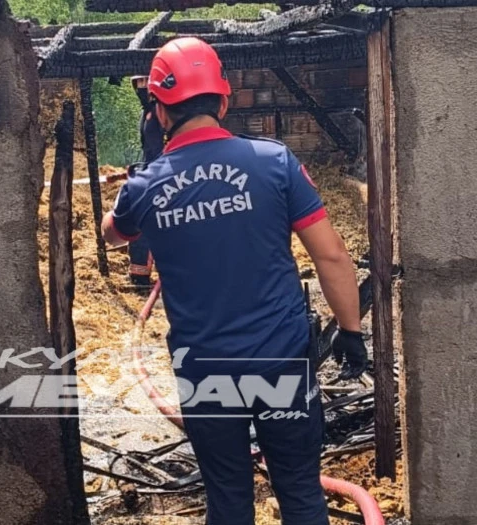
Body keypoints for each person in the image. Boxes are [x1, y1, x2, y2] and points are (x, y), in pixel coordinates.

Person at [102, 37, 367, 525]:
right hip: (281, 361)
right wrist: (350, 331)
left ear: (159, 113)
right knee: (300, 491)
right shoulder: (274, 162)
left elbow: (114, 235)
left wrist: (147, 172)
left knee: (227, 498)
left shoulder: (145, 186)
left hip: (205, 371)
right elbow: (331, 255)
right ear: (224, 103)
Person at [126, 75, 165, 289]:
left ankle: (144, 274)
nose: (141, 88)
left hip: (159, 175)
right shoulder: (148, 112)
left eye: (144, 83)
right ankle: (139, 274)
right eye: (138, 84)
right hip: (150, 172)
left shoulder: (159, 113)